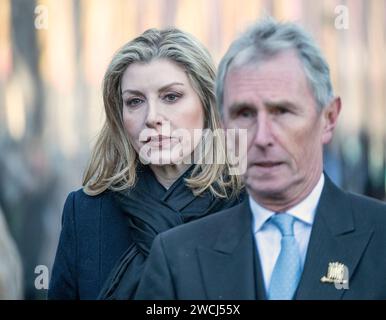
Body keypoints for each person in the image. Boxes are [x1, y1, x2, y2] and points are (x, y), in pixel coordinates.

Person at [135, 18, 386, 300]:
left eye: (282, 111)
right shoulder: (177, 258)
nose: (262, 137)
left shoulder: (380, 237)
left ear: (328, 118)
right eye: (244, 114)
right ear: (223, 124)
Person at [48, 28, 244, 300]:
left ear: (208, 104)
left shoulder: (246, 207)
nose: (152, 116)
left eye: (171, 97)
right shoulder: (86, 213)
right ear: (120, 116)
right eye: (135, 101)